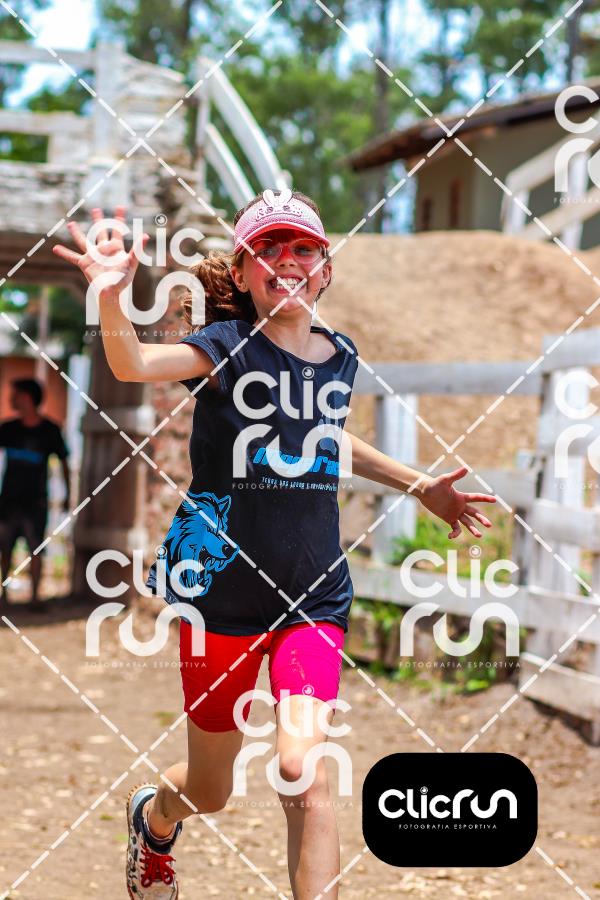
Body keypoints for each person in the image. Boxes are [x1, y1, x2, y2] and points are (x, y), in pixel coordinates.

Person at [52, 190, 496, 899]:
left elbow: (327, 436)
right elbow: (132, 363)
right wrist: (110, 298)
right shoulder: (223, 348)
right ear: (243, 269)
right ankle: (155, 821)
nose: (287, 260)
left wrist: (420, 486)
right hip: (219, 599)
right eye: (268, 248)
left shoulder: (340, 356)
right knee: (210, 789)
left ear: (325, 269)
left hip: (312, 597)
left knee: (303, 770)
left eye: (303, 248)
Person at [0, 378, 70, 610]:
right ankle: (4, 595)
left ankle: (35, 598)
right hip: (8, 500)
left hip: (36, 501)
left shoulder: (50, 431)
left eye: (15, 394)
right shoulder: (8, 429)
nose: (11, 399)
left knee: (36, 548)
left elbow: (64, 462)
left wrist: (68, 494)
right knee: (5, 547)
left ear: (27, 398)